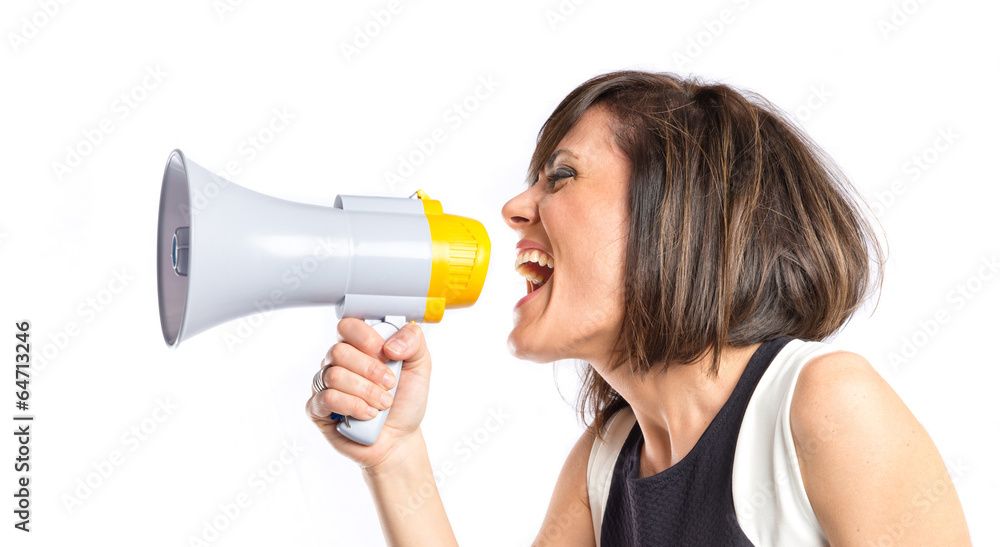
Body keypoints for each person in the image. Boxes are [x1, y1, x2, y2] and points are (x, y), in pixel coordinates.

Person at [305, 70, 972, 546]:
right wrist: (395, 454)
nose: (514, 209)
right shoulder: (605, 464)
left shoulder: (825, 405)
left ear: (676, 213)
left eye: (561, 176)